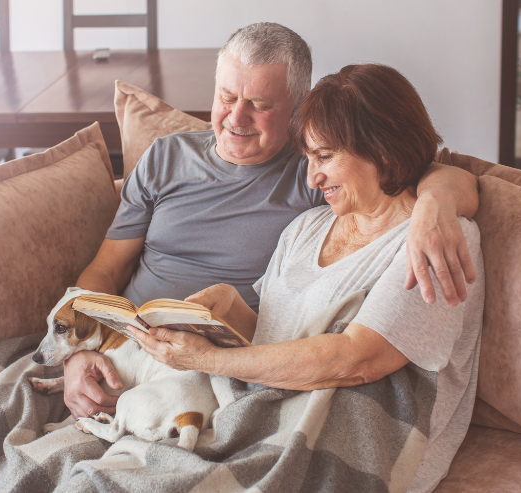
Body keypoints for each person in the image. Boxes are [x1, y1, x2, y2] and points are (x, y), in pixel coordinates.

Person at [63, 23, 479, 420]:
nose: (236, 118)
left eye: (260, 106)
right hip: (120, 348)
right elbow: (106, 269)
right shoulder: (165, 157)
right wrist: (77, 351)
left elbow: (416, 167)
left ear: (297, 111)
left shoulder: (312, 174)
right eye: (227, 97)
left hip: (205, 372)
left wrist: (435, 205)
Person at [127, 63, 485, 493]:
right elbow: (277, 338)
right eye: (309, 158)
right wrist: (230, 310)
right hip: (265, 410)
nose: (313, 178)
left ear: (383, 148)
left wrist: (203, 358)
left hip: (345, 434)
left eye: (325, 157)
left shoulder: (438, 236)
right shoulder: (305, 228)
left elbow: (358, 360)